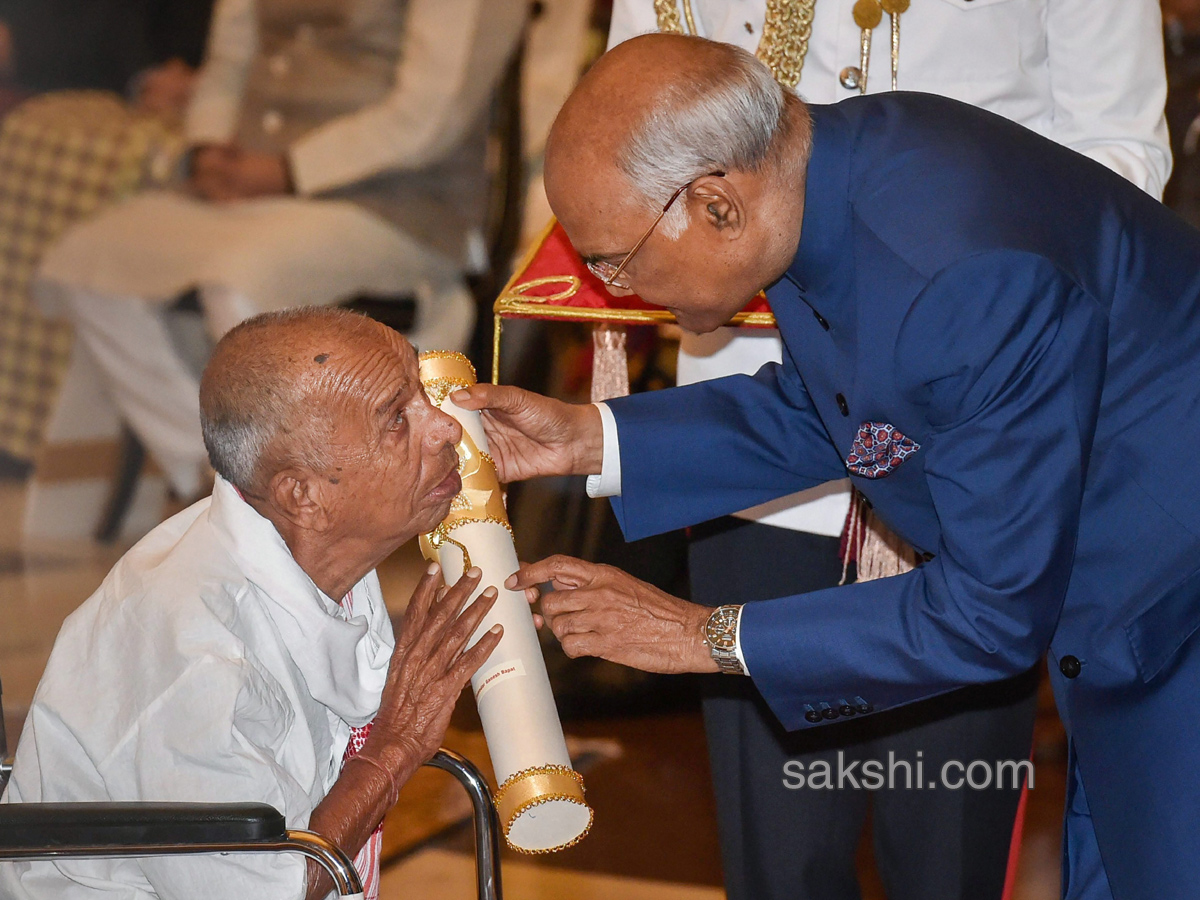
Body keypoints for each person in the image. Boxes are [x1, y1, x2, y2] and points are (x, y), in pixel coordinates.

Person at [455, 34, 1200, 900]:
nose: (617, 288)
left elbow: (988, 614)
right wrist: (589, 436)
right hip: (1129, 617)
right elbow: (855, 409)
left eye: (616, 259)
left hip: (1174, 616)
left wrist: (702, 636)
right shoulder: (835, 173)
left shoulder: (959, 274)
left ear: (715, 204)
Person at [0, 308, 504, 899]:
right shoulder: (191, 654)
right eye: (398, 418)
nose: (444, 427)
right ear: (304, 495)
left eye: (421, 395)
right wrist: (394, 749)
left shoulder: (321, 546)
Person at [31, 0, 527, 501]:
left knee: (241, 277)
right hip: (256, 186)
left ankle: (278, 488)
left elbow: (430, 114)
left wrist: (290, 171)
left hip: (399, 207)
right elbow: (229, 63)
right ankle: (217, 480)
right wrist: (208, 148)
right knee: (91, 260)